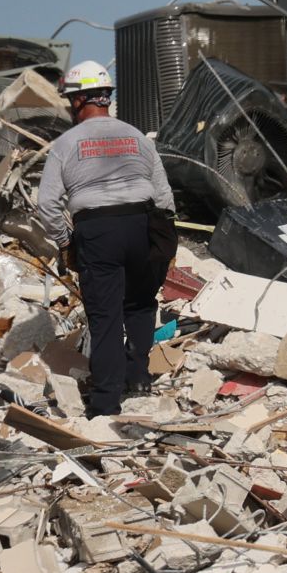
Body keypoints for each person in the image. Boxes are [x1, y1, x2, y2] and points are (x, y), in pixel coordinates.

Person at [37, 60, 176, 418]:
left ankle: (105, 405)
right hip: (142, 224)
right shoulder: (138, 138)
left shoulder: (66, 144)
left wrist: (66, 241)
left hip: (97, 231)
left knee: (106, 317)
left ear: (80, 101)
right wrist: (162, 238)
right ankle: (138, 375)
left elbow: (47, 204)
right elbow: (163, 198)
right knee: (141, 303)